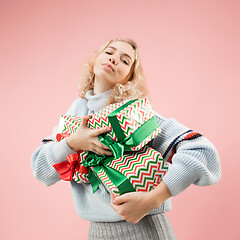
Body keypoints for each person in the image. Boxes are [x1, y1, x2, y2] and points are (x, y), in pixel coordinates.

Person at [31, 38, 221, 240]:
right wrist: (72, 144)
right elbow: (41, 171)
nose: (114, 60)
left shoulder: (136, 115)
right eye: (109, 52)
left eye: (125, 60)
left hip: (145, 230)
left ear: (130, 77)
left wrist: (153, 199)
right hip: (97, 232)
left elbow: (202, 151)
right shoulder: (76, 115)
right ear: (96, 59)